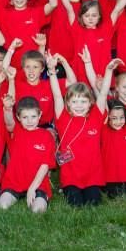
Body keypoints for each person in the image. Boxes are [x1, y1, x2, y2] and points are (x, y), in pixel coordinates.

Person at [47, 52, 115, 207]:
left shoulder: (95, 118)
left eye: (83, 101)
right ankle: (66, 189)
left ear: (90, 102)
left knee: (93, 203)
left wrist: (109, 71)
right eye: (75, 101)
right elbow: (57, 95)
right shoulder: (63, 118)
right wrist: (51, 71)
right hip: (71, 177)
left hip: (92, 176)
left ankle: (92, 190)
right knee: (76, 204)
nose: (79, 105)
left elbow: (103, 94)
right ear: (68, 103)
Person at [0, 95, 56, 214]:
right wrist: (8, 109)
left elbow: (45, 165)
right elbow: (9, 123)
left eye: (33, 116)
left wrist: (32, 188)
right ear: (18, 117)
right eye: (25, 117)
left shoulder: (46, 136)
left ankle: (38, 196)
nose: (30, 121)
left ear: (39, 115)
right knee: (2, 206)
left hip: (38, 183)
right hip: (14, 181)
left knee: (37, 210)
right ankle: (15, 194)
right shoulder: (17, 131)